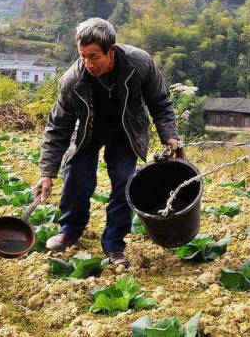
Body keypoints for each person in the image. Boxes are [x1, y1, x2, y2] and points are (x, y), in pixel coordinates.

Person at [33, 17, 183, 267]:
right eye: (82, 56)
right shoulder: (72, 81)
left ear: (111, 50)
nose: (87, 63)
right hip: (88, 131)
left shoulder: (140, 63)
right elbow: (58, 128)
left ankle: (114, 244)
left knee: (126, 183)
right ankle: (70, 230)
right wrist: (47, 172)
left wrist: (170, 135)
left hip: (126, 130)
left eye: (94, 56)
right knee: (76, 176)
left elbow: (160, 101)